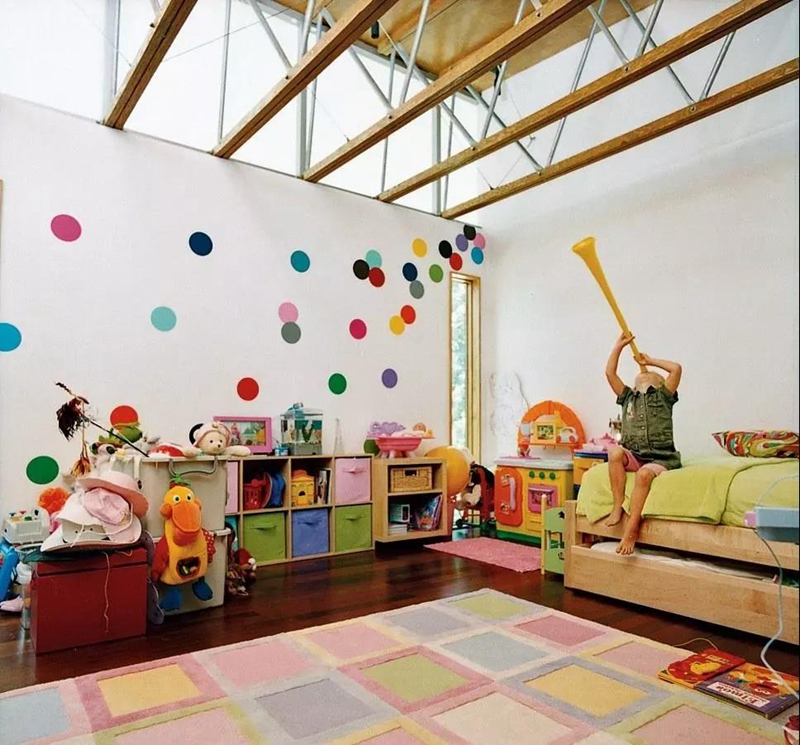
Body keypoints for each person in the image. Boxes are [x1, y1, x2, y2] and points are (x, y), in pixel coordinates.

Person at [604, 332, 682, 555]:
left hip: (661, 457)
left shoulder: (663, 396)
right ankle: (617, 504)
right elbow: (610, 373)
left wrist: (650, 361)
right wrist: (619, 346)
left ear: (660, 384)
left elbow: (676, 369)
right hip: (635, 454)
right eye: (641, 374)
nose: (644, 375)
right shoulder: (628, 398)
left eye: (650, 375)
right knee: (615, 453)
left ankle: (631, 529)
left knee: (644, 475)